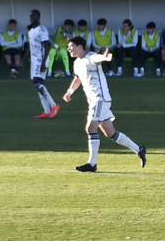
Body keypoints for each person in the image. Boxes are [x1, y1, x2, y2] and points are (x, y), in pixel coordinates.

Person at [62, 36, 147, 173]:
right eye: (68, 47)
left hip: (100, 99)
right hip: (94, 101)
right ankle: (139, 149)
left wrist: (105, 57)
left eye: (71, 46)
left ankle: (92, 164)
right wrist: (69, 92)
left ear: (80, 47)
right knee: (110, 133)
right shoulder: (77, 63)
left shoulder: (90, 57)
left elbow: (97, 58)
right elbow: (77, 79)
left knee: (90, 128)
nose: (69, 49)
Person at [25, 9, 59, 117]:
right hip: (34, 60)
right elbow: (30, 47)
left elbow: (47, 46)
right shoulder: (31, 31)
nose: (31, 18)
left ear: (38, 17)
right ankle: (47, 111)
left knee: (37, 83)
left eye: (33, 16)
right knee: (39, 85)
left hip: (41, 60)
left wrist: (44, 62)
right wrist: (23, 59)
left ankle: (54, 105)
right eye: (31, 16)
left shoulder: (42, 30)